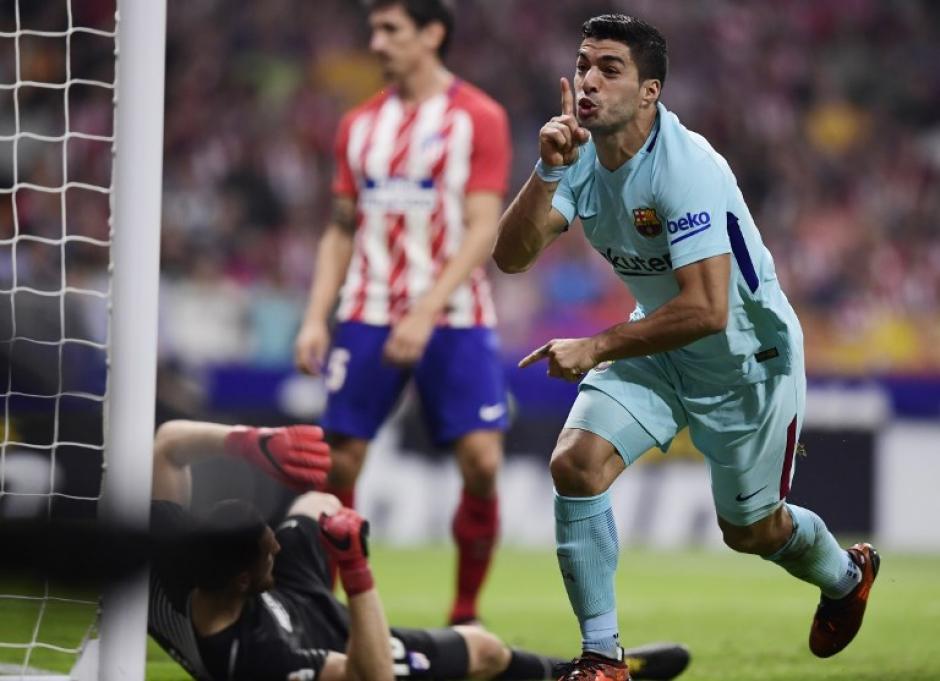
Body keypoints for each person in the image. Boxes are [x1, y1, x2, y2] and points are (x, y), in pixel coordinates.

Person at [494, 14, 879, 681]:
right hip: (660, 341)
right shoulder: (580, 153)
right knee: (576, 464)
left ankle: (846, 575)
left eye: (610, 69)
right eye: (584, 63)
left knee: (750, 531)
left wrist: (597, 345)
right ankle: (602, 658)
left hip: (745, 360)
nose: (588, 80)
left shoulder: (687, 168)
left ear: (650, 92)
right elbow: (511, 255)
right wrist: (546, 170)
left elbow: (706, 307)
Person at [147, 419, 692, 681]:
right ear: (244, 577)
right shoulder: (258, 663)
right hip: (337, 649)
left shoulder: (175, 563)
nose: (275, 546)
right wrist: (356, 570)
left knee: (315, 500)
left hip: (288, 604)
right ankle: (582, 677)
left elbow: (167, 443)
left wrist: (249, 441)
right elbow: (371, 679)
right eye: (268, 551)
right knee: (483, 651)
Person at [294, 0, 510, 625]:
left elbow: (480, 228)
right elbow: (339, 231)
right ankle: (328, 613)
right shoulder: (358, 125)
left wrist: (424, 311)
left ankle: (465, 612)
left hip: (455, 314)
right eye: (373, 29)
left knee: (483, 462)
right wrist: (316, 316)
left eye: (391, 29)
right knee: (339, 461)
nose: (377, 41)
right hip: (367, 308)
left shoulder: (479, 117)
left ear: (432, 33)